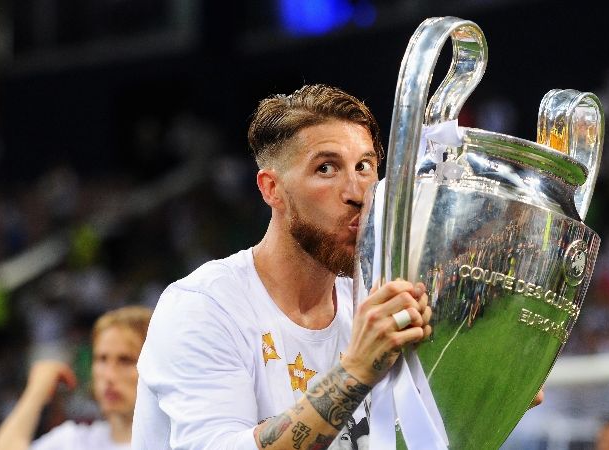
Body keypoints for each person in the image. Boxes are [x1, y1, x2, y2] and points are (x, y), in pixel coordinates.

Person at [131, 84, 433, 450]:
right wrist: (354, 372)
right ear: (272, 188)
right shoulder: (204, 307)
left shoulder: (367, 304)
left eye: (364, 167)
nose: (357, 193)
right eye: (326, 168)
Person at [0, 305, 153, 450]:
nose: (109, 375)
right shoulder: (74, 441)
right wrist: (35, 393)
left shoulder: (174, 442)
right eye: (101, 359)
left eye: (126, 360)